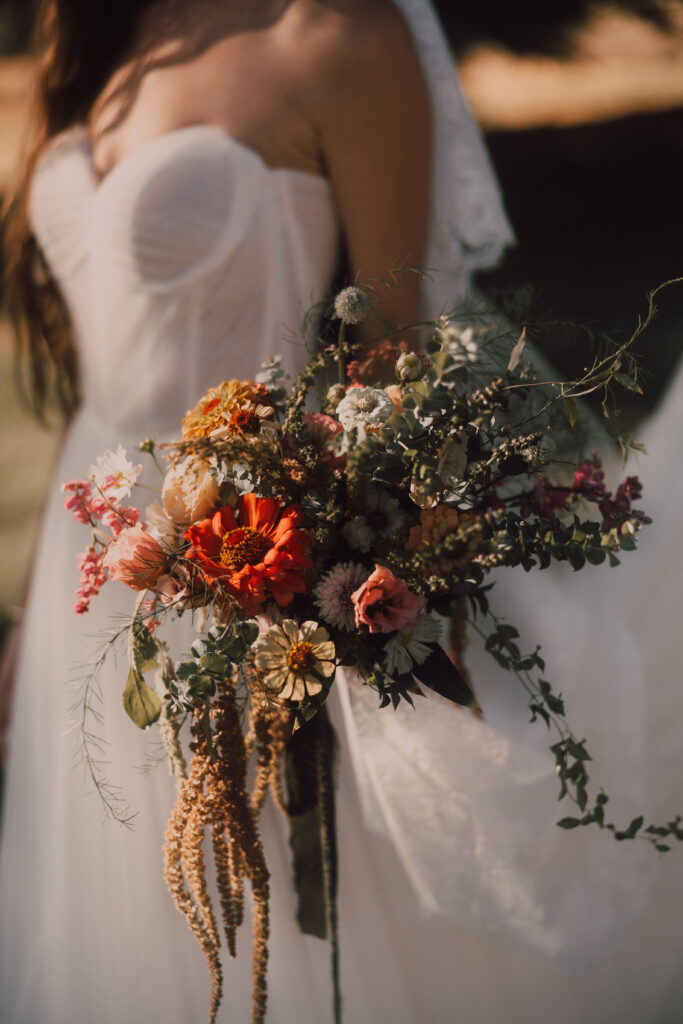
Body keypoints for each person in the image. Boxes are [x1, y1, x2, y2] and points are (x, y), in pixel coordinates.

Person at [1, 1, 681, 1022]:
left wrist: (317, 544)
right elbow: (105, 383)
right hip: (91, 567)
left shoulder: (343, 35)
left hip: (252, 574)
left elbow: (395, 353)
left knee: (286, 928)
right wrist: (29, 608)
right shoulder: (105, 25)